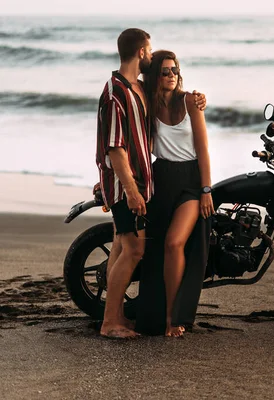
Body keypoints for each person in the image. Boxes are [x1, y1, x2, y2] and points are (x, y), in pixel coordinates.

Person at [96, 29, 206, 339]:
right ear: (143, 53)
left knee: (122, 244)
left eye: (174, 70)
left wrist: (197, 97)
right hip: (128, 185)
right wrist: (130, 190)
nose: (169, 72)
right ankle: (109, 323)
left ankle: (116, 315)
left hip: (141, 182)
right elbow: (115, 147)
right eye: (151, 51)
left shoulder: (136, 89)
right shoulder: (119, 92)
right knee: (132, 249)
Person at [135, 50, 214, 337]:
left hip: (192, 180)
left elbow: (203, 150)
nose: (171, 76)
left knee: (173, 242)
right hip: (161, 177)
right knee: (153, 250)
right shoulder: (147, 103)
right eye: (165, 71)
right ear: (155, 75)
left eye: (175, 70)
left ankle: (173, 317)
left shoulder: (191, 100)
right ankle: (159, 316)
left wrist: (206, 189)